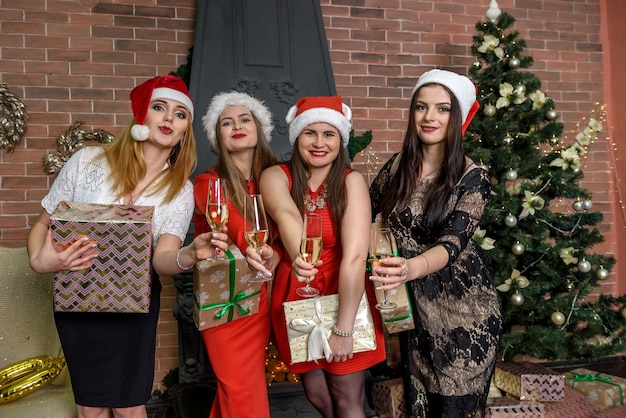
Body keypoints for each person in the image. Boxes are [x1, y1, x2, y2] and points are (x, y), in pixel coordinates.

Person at [27, 74, 218, 418]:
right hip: (79, 296)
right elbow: (44, 224)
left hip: (135, 301)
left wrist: (188, 254)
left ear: (185, 129)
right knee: (90, 406)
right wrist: (42, 262)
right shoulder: (87, 161)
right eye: (160, 107)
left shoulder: (180, 190)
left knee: (130, 406)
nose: (168, 118)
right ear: (143, 115)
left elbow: (161, 259)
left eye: (180, 113)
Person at [369, 68, 502, 417]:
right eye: (421, 107)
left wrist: (409, 267)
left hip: (465, 313)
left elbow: (452, 244)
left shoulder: (474, 177)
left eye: (442, 108)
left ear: (456, 116)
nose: (430, 117)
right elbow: (365, 219)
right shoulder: (396, 167)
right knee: (420, 407)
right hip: (416, 311)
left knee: (452, 409)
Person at [257, 96, 386, 418]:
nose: (318, 143)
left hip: (345, 295)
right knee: (317, 395)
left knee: (347, 399)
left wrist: (344, 330)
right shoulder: (277, 175)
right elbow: (286, 213)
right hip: (294, 298)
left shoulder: (351, 181)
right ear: (296, 137)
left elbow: (355, 257)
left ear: (340, 139)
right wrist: (298, 251)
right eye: (309, 133)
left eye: (328, 134)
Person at [193, 91, 280, 418]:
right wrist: (260, 250)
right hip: (225, 299)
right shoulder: (208, 182)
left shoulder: (277, 178)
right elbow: (238, 228)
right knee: (240, 389)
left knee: (239, 390)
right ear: (218, 135)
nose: (236, 126)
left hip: (263, 296)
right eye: (226, 123)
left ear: (259, 128)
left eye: (245, 119)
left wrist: (278, 254)